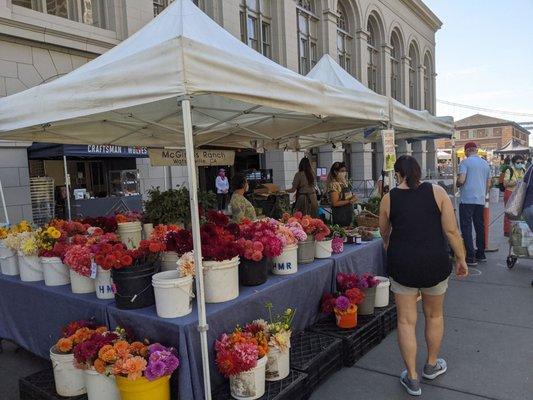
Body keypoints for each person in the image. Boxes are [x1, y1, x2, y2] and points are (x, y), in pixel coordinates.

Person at [379, 155, 468, 397]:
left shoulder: (389, 198)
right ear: (419, 171)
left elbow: (383, 232)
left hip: (402, 265)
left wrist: (390, 245)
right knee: (434, 315)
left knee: (406, 321)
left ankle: (412, 377)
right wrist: (461, 258)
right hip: (434, 263)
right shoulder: (438, 192)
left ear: (398, 174)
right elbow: (451, 231)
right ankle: (431, 364)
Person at [456, 142, 491, 266]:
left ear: (467, 151)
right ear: (476, 150)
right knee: (479, 226)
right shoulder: (485, 164)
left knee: (466, 227)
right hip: (480, 199)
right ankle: (481, 254)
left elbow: (461, 179)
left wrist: (457, 184)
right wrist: (483, 195)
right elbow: (488, 184)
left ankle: (470, 257)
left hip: (467, 199)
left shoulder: (465, 163)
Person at [327, 162, 357, 226]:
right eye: (342, 171)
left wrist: (353, 197)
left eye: (345, 171)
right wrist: (349, 201)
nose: (344, 173)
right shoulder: (334, 185)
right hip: (340, 215)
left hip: (348, 213)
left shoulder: (344, 183)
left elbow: (348, 196)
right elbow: (335, 203)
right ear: (335, 172)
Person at [503, 155, 526, 236]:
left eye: (521, 162)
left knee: (518, 212)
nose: (520, 164)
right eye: (518, 162)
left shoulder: (523, 170)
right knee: (509, 212)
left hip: (519, 193)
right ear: (513, 163)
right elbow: (505, 184)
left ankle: (516, 230)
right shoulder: (509, 170)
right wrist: (515, 182)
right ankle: (507, 230)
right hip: (510, 192)